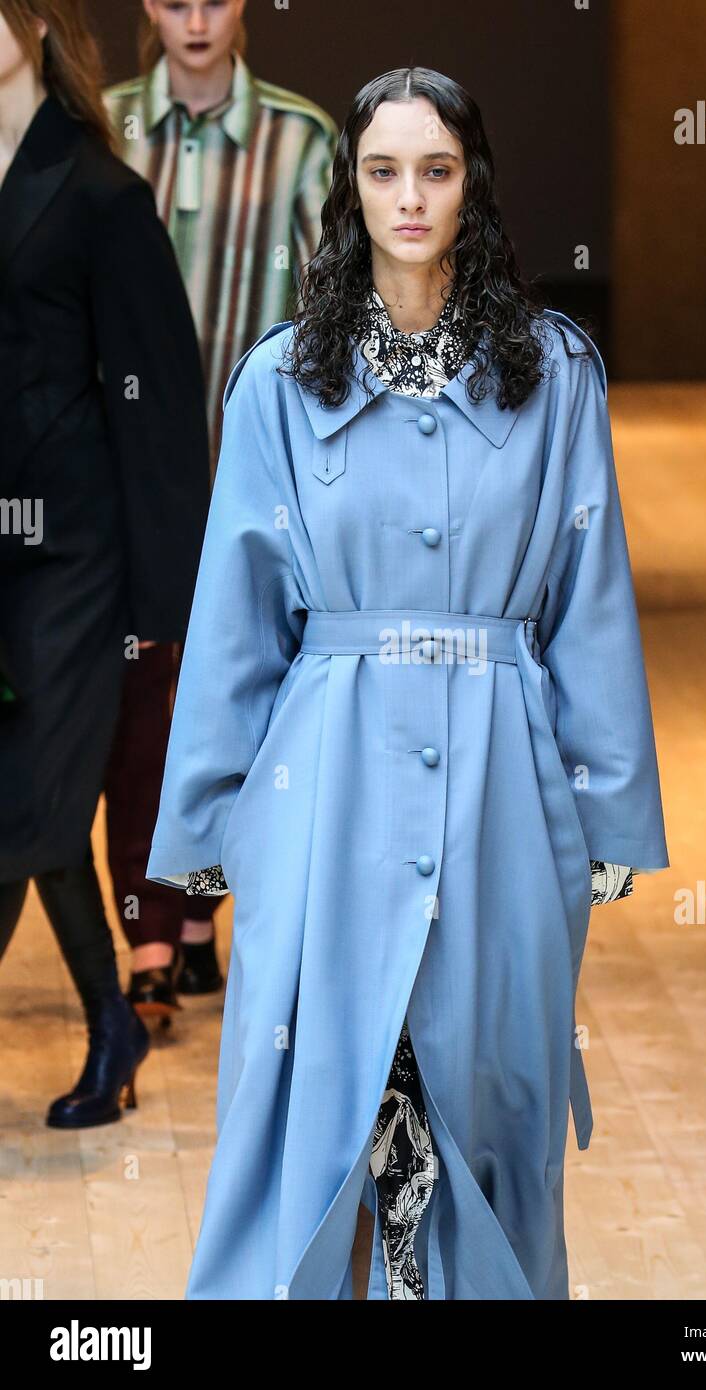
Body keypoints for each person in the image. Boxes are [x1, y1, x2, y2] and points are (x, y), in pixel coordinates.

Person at [146, 67, 670, 1300]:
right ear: (351, 191)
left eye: (435, 169)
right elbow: (236, 613)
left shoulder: (553, 375)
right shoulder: (282, 381)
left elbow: (587, 599)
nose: (409, 197)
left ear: (471, 186)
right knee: (321, 1091)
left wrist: (603, 806)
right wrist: (215, 813)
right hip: (323, 783)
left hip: (502, 784)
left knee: (484, 1099)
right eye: (382, 170)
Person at [101, 0, 339, 1020]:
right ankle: (152, 934)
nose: (194, 19)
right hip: (122, 466)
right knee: (139, 694)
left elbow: (336, 306)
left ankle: (201, 910)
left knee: (251, 694)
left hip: (256, 470)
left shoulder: (304, 136)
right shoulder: (100, 126)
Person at [0, 0, 211, 1126]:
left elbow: (161, 405)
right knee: (25, 805)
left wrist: (167, 600)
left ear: (32, 28)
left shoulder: (98, 195)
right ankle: (114, 1021)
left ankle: (114, 1022)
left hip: (72, 552)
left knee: (33, 800)